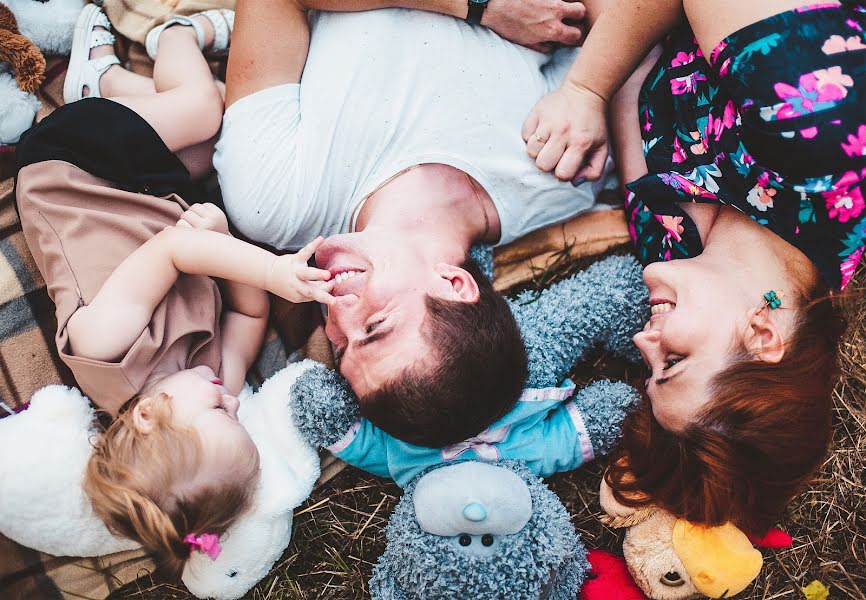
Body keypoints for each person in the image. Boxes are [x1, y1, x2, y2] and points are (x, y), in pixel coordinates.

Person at [215, 0, 626, 447]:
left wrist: (476, 9)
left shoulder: (274, 201)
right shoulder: (562, 168)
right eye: (375, 327)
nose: (335, 317)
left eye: (339, 347)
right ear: (455, 285)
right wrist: (592, 89)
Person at [15, 5, 334, 576]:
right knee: (220, 131)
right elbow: (247, 316)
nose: (236, 402)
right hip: (149, 197)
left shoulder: (105, 347)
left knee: (203, 106)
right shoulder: (211, 384)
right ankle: (107, 82)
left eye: (222, 414)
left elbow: (173, 252)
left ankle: (177, 32)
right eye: (239, 417)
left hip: (76, 169)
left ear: (150, 416)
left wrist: (275, 271)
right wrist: (226, 242)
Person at [523, 0, 863, 534]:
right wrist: (584, 89)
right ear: (763, 334)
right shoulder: (820, 138)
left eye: (649, 371)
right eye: (674, 360)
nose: (642, 343)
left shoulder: (673, 252)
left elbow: (632, 65)